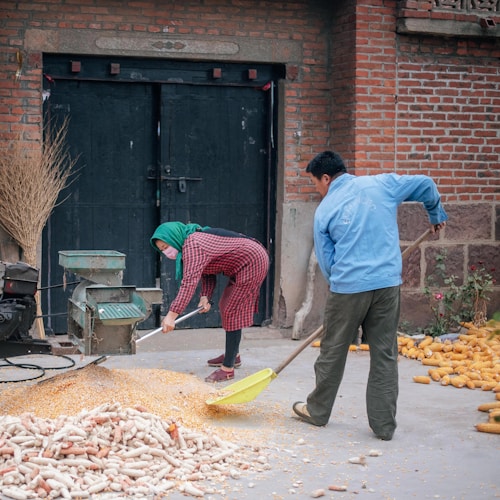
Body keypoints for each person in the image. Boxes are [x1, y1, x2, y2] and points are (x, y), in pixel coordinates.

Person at [293, 150, 448, 440]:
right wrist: (435, 214)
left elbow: (326, 262)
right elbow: (426, 184)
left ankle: (317, 411)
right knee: (385, 354)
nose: (317, 189)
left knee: (333, 352)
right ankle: (384, 426)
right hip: (387, 284)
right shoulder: (382, 184)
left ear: (326, 178)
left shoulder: (325, 210)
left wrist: (340, 290)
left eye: (315, 183)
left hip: (348, 288)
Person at [150, 222, 269, 383]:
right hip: (245, 262)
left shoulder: (193, 244)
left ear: (173, 237)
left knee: (231, 310)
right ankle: (233, 356)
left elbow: (189, 284)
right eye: (162, 250)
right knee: (225, 305)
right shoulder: (191, 241)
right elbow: (207, 269)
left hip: (253, 261)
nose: (166, 252)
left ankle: (228, 369)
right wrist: (205, 296)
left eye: (166, 246)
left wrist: (171, 316)